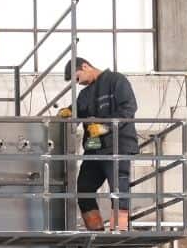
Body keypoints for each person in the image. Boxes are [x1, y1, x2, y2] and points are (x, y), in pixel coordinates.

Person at [59, 58, 138, 232]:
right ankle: (95, 232)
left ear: (85, 66)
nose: (78, 83)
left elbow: (129, 108)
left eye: (78, 78)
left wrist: (105, 126)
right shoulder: (85, 94)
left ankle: (120, 229)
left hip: (116, 146)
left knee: (118, 189)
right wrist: (68, 111)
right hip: (94, 149)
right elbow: (77, 109)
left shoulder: (116, 80)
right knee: (84, 190)